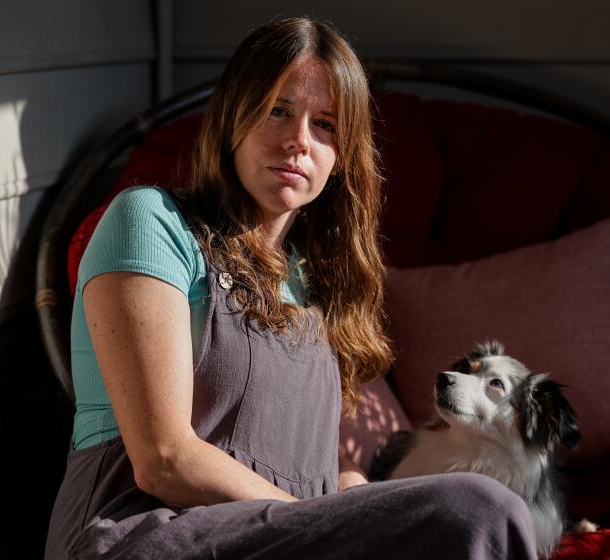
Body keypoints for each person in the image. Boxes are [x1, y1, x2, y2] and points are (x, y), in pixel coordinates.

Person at [45, 16, 537, 560]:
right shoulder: (152, 222)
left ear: (342, 156)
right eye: (278, 110)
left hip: (282, 540)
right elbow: (165, 458)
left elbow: (313, 475)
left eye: (325, 124)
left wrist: (350, 493)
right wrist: (335, 523)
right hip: (146, 533)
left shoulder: (318, 283)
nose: (298, 141)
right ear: (234, 115)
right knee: (480, 509)